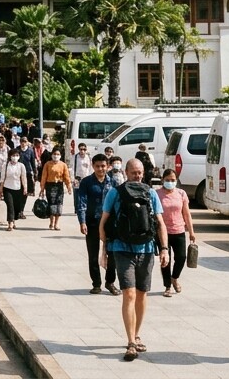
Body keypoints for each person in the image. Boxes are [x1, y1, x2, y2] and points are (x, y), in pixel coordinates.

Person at [100, 158, 169, 361]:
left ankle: (137, 334)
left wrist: (164, 249)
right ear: (126, 173)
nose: (137, 176)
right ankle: (130, 341)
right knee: (128, 293)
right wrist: (103, 250)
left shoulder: (151, 193)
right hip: (122, 248)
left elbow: (160, 223)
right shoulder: (116, 193)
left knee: (141, 294)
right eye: (133, 173)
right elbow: (103, 222)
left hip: (147, 250)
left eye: (140, 173)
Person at [76, 154, 118, 295]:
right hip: (92, 222)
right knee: (93, 255)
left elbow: (117, 204)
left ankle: (110, 282)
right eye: (98, 166)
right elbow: (81, 202)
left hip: (110, 224)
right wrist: (82, 221)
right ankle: (96, 283)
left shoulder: (113, 183)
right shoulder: (86, 182)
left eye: (103, 166)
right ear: (93, 166)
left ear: (108, 166)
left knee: (112, 255)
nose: (101, 169)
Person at [157, 168, 196, 297]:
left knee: (181, 257)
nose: (170, 182)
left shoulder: (181, 193)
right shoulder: (157, 194)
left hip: (178, 230)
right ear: (162, 180)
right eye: (167, 180)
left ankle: (175, 277)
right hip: (163, 232)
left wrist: (191, 231)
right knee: (165, 260)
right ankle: (167, 285)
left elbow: (186, 213)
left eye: (173, 180)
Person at [40, 150, 73, 231]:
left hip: (59, 186)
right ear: (52, 155)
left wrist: (69, 187)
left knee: (59, 204)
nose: (56, 155)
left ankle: (56, 224)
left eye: (58, 154)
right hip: (49, 186)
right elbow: (44, 177)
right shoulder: (47, 164)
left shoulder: (63, 165)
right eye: (54, 154)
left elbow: (66, 177)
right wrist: (42, 189)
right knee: (52, 204)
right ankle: (51, 222)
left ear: (60, 155)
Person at [1, 147, 30, 231]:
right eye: (13, 155)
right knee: (10, 206)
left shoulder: (21, 166)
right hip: (7, 187)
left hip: (18, 188)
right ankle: (10, 223)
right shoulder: (5, 165)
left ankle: (13, 220)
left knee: (16, 206)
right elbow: (2, 178)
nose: (15, 157)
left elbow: (23, 178)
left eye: (17, 155)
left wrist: (25, 188)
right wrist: (0, 189)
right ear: (10, 156)